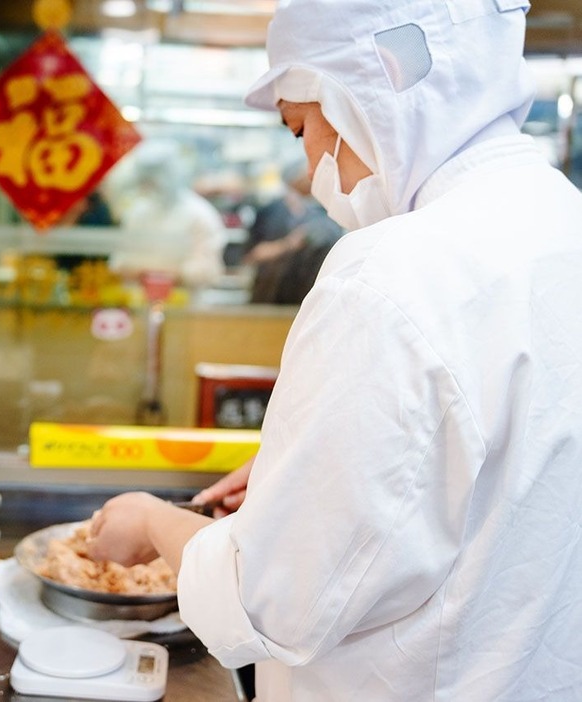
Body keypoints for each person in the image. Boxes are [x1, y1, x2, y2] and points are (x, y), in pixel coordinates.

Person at [87, 2, 582, 700]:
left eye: (301, 128)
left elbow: (269, 598)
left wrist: (151, 520)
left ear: (367, 94)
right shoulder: (561, 220)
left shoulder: (389, 274)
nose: (312, 164)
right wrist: (310, 465)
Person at [108, 140, 227, 290]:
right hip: (139, 301)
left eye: (156, 180)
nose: (151, 186)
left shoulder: (200, 214)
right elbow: (119, 260)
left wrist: (170, 274)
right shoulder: (137, 212)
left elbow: (209, 270)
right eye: (147, 181)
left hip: (187, 304)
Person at [245, 158, 344, 304]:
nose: (310, 175)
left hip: (310, 294)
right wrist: (288, 244)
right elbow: (250, 256)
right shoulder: (271, 211)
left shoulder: (329, 212)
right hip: (271, 296)